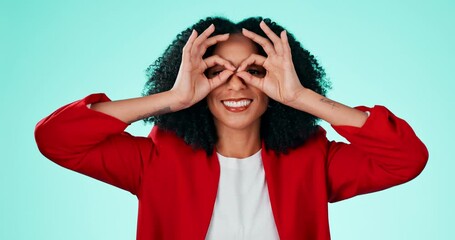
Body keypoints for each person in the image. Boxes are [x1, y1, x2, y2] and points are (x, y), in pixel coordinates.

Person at [35, 17, 428, 240]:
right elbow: (56, 139)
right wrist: (170, 99)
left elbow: (406, 159)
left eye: (256, 71)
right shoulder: (155, 160)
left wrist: (303, 98)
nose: (237, 85)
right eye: (215, 72)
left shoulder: (312, 158)